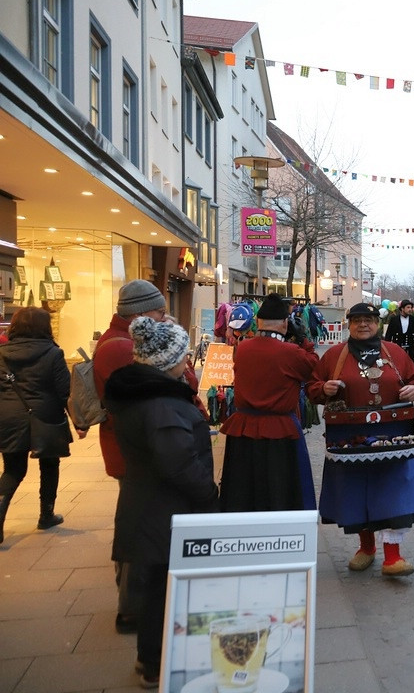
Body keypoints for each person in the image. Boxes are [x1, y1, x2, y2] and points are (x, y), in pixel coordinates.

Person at [104, 317, 218, 688]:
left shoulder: (146, 394)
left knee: (157, 586)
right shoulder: (162, 404)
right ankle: (155, 664)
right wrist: (210, 493)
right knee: (162, 589)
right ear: (167, 360)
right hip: (166, 511)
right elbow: (178, 463)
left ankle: (153, 660)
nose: (187, 360)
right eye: (183, 355)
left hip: (151, 506)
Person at [91, 278, 200, 634]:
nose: (164, 316)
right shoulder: (121, 348)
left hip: (136, 448)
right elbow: (179, 386)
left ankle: (135, 604)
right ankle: (133, 608)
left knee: (139, 527)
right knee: (142, 533)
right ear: (141, 313)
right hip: (139, 453)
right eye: (160, 310)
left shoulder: (118, 342)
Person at [307, 302, 414, 577]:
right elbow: (312, 389)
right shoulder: (335, 355)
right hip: (349, 436)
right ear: (349, 325)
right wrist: (323, 388)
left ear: (378, 324)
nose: (363, 324)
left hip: (393, 435)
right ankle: (367, 548)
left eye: (369, 320)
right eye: (357, 320)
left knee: (393, 490)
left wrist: (413, 389)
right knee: (355, 492)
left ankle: (393, 557)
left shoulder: (395, 352)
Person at [218, 293, 319, 512]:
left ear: (257, 322)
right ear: (285, 323)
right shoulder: (292, 352)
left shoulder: (242, 348)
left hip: (244, 428)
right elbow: (313, 367)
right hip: (280, 429)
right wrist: (304, 341)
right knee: (280, 488)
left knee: (244, 489)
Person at [0, 307, 71, 545]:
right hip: (45, 415)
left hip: (8, 417)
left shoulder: (1, 353)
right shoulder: (53, 353)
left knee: (13, 470)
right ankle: (46, 514)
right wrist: (78, 421)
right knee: (49, 463)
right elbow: (64, 391)